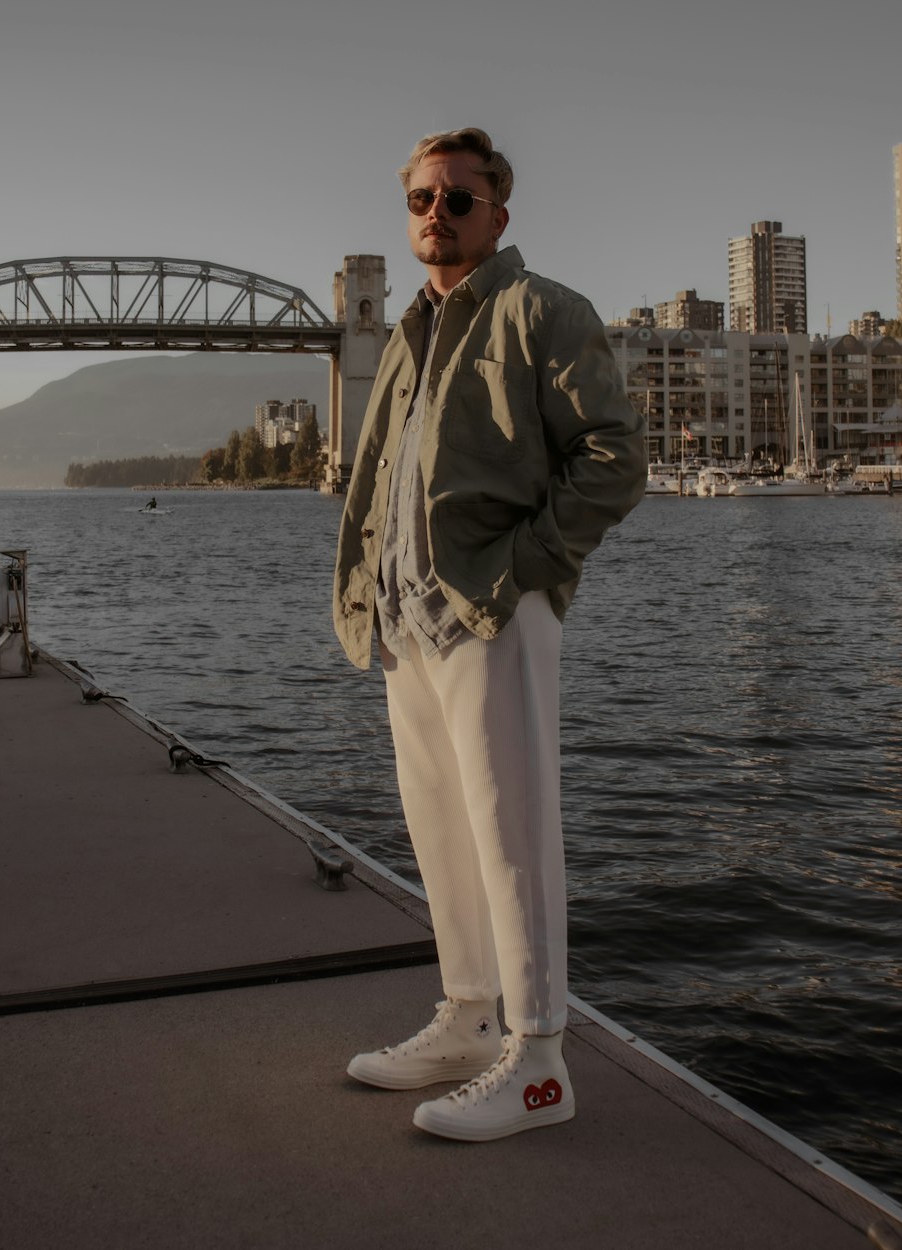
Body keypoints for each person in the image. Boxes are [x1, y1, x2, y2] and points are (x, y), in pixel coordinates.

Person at [332, 127, 646, 1142]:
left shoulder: (541, 311)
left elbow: (612, 459)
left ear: (497, 215)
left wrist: (522, 573)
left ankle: (541, 1057)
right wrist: (363, 591)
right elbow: (381, 474)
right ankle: (467, 1017)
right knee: (440, 827)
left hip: (493, 608)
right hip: (411, 618)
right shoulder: (408, 335)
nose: (436, 214)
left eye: (457, 200)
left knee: (513, 833)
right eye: (422, 198)